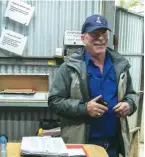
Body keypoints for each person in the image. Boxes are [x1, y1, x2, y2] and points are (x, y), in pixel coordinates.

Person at [48, 14, 136, 157]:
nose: (100, 38)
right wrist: (84, 108)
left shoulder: (120, 64)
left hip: (113, 143)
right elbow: (54, 101)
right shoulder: (70, 67)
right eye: (94, 34)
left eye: (103, 34)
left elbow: (131, 94)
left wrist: (129, 105)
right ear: (83, 38)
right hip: (82, 144)